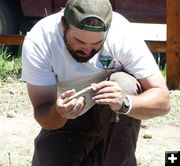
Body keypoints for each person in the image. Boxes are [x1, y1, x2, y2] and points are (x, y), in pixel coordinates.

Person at [21, 0, 170, 165]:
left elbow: (163, 100)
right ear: (63, 25)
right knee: (49, 158)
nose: (87, 49)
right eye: (80, 41)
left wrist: (124, 102)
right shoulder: (40, 40)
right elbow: (43, 115)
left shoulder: (122, 32)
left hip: (115, 114)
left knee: (124, 85)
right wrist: (59, 111)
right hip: (72, 116)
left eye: (97, 43)